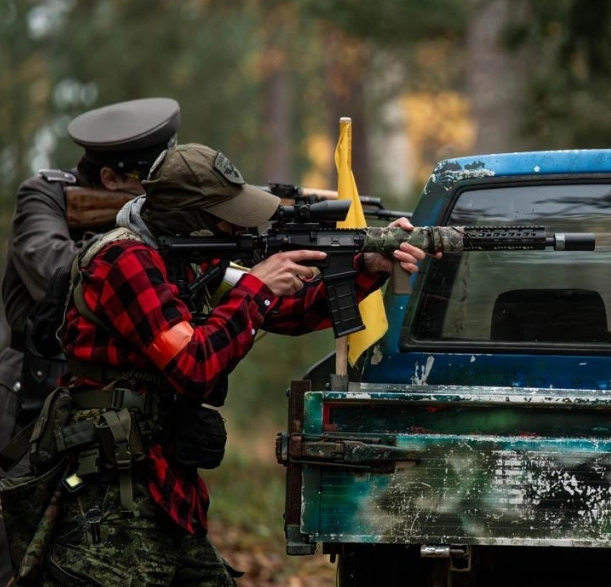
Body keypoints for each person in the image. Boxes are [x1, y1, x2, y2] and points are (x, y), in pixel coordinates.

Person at [13, 143, 429, 586]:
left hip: (161, 483)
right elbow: (195, 368)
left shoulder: (189, 260)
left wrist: (369, 266)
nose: (237, 223)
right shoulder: (125, 261)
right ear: (190, 217)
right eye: (225, 213)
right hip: (111, 494)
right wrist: (257, 286)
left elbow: (289, 312)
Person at [0, 97, 178, 586]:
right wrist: (140, 242)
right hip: (28, 401)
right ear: (111, 181)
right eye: (151, 184)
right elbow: (56, 268)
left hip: (107, 413)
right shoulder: (46, 196)